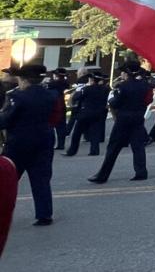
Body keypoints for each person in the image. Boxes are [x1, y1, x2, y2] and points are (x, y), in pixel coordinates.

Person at [0, 64, 58, 226]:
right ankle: (44, 214)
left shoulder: (17, 97)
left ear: (23, 79)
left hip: (19, 142)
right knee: (41, 178)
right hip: (44, 139)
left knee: (7, 178)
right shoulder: (51, 95)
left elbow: (5, 120)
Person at [89, 60, 151, 183]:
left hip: (123, 119)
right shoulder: (145, 85)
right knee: (138, 146)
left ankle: (102, 175)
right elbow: (148, 100)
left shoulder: (122, 86)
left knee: (113, 147)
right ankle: (141, 171)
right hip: (138, 117)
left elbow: (116, 103)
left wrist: (111, 99)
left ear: (127, 73)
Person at [64, 72, 108, 156]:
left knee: (77, 132)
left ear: (92, 80)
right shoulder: (104, 89)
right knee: (95, 133)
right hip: (98, 112)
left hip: (86, 112)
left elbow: (77, 97)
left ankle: (72, 151)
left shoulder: (87, 89)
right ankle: (94, 150)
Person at [44, 68, 71, 150]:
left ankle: (52, 144)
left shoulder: (53, 84)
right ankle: (61, 144)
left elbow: (47, 87)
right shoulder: (65, 83)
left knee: (52, 126)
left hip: (53, 106)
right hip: (62, 105)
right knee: (61, 126)